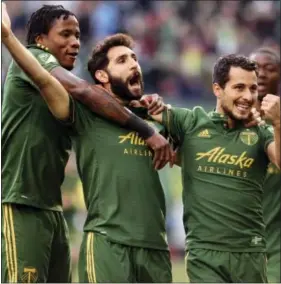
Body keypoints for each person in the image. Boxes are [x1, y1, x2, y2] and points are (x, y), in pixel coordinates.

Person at [1, 3, 171, 283]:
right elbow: (84, 91)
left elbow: (103, 102)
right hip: (21, 200)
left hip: (50, 206)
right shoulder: (33, 58)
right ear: (41, 40)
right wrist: (145, 129)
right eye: (65, 34)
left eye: (78, 35)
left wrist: (141, 104)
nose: (75, 42)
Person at [150, 54, 280, 282]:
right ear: (217, 89)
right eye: (239, 87)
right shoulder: (191, 122)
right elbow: (136, 107)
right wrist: (152, 129)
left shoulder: (260, 132)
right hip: (204, 254)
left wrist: (278, 122)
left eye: (252, 89)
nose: (248, 96)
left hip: (251, 252)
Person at [72, 33, 172, 283]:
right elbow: (69, 86)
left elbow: (182, 158)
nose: (133, 64)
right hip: (108, 241)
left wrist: (162, 114)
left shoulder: (153, 115)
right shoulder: (85, 114)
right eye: (122, 60)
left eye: (134, 58)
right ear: (102, 76)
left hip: (155, 246)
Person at [250, 47, 281, 284]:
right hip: (236, 247)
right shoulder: (229, 121)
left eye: (269, 69)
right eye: (255, 68)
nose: (261, 74)